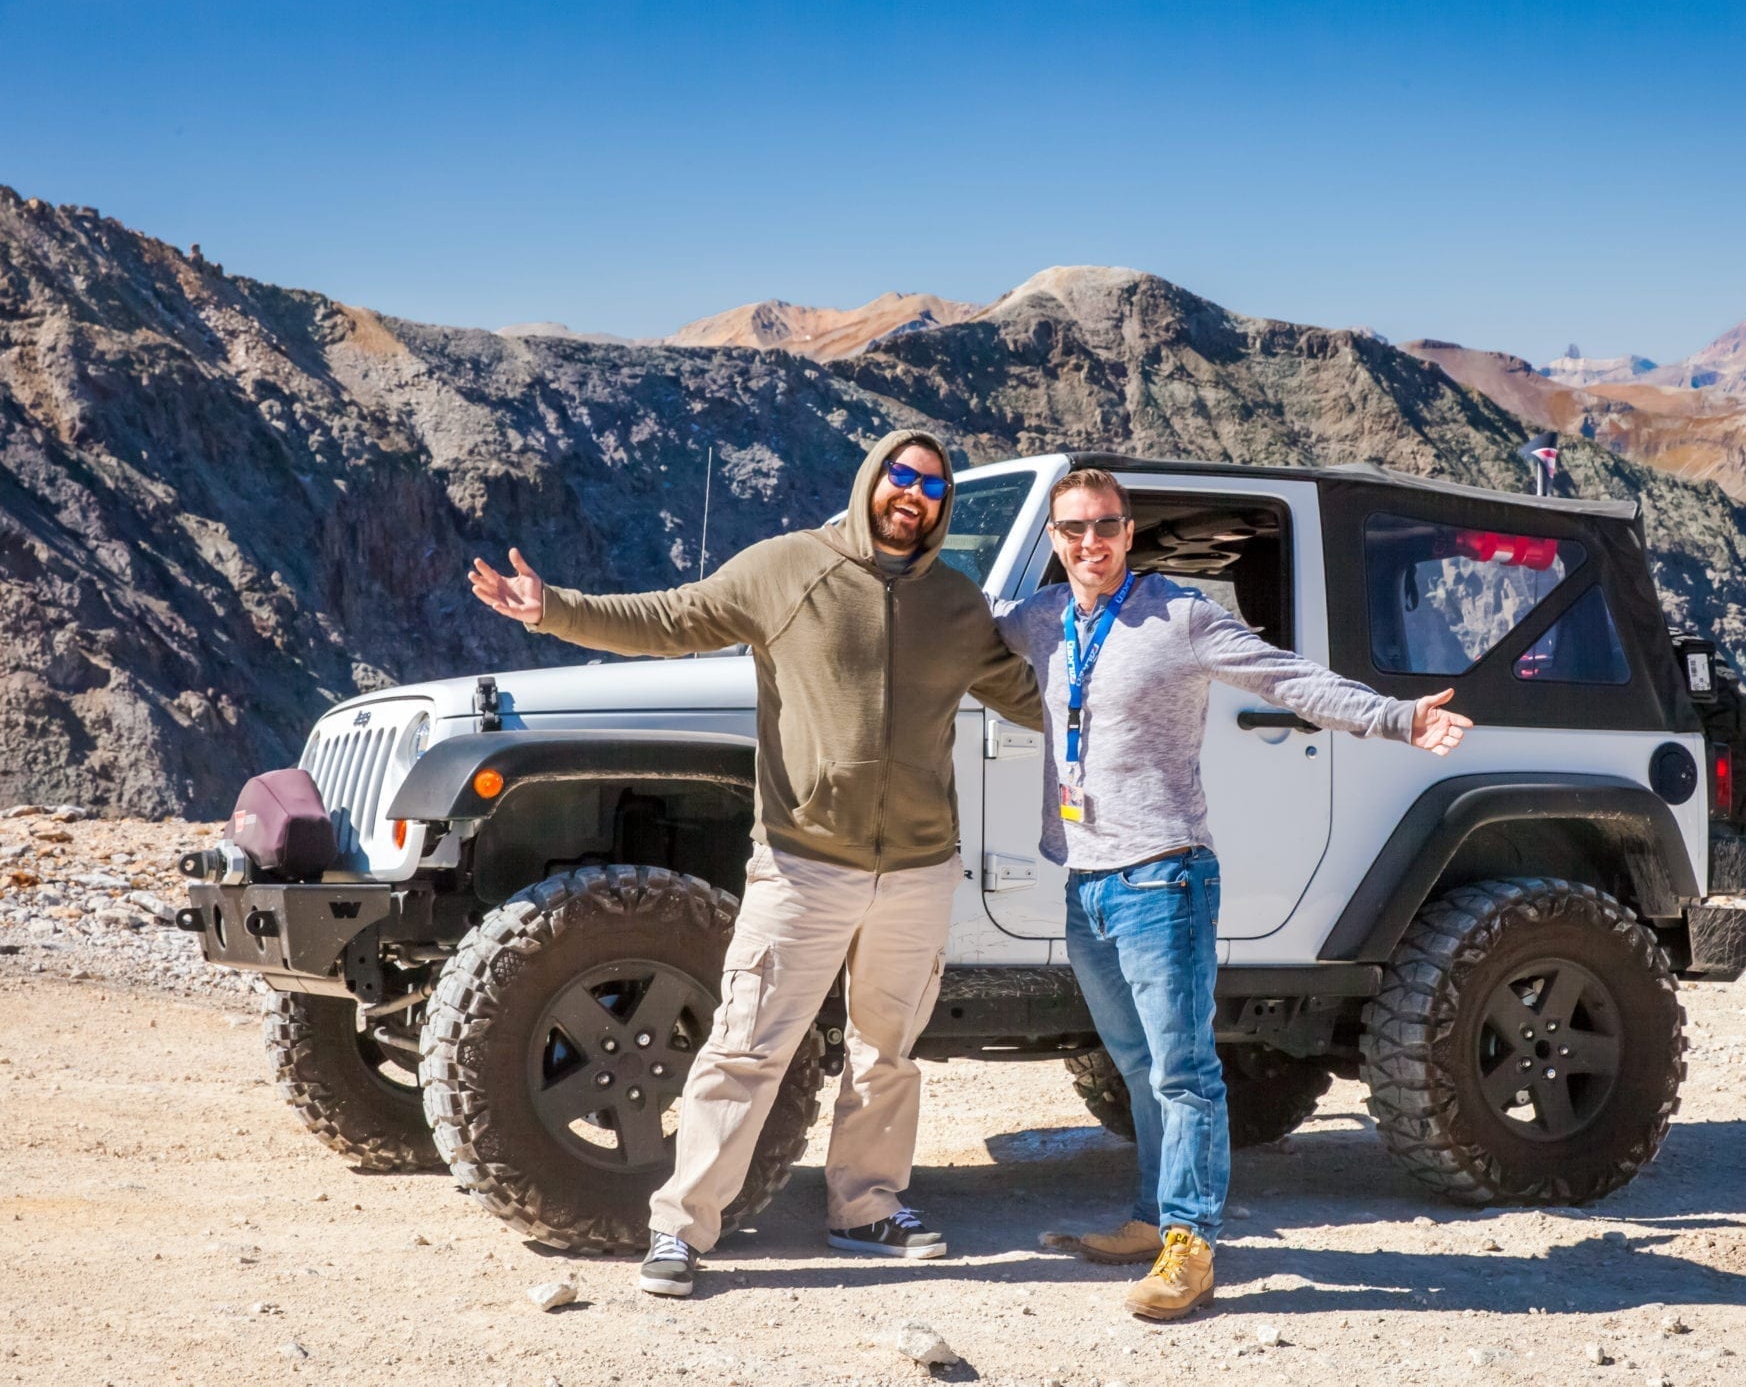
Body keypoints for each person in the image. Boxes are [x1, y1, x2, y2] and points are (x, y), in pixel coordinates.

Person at [469, 430, 1042, 1298]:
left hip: (921, 867)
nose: (913, 493)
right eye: (901, 474)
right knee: (746, 1047)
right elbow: (671, 618)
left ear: (942, 504)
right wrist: (553, 609)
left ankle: (867, 1209)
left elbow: (1036, 699)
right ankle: (681, 1229)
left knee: (887, 1052)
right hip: (806, 861)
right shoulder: (788, 568)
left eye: (931, 484)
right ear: (872, 479)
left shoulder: (958, 607)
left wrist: (1146, 671)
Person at [995, 467, 1471, 1320]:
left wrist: (1399, 718)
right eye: (1072, 530)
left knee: (1183, 1071)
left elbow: (1290, 680)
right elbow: (947, 634)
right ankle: (1151, 1219)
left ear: (1128, 532)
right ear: (1055, 540)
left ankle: (1191, 1245)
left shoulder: (1179, 618)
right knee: (1135, 1064)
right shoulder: (1042, 620)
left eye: (1104, 526)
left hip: (1162, 878)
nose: (1089, 543)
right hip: (1087, 881)